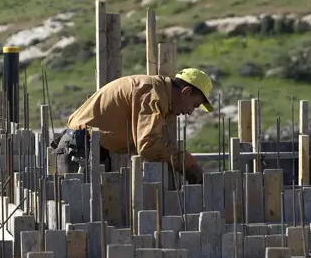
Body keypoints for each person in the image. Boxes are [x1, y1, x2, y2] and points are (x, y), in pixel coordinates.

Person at [50, 68, 214, 184]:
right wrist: (188, 163)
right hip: (78, 151)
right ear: (185, 92)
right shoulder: (152, 93)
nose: (191, 112)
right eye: (194, 104)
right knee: (78, 218)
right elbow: (149, 146)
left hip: (89, 150)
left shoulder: (157, 92)